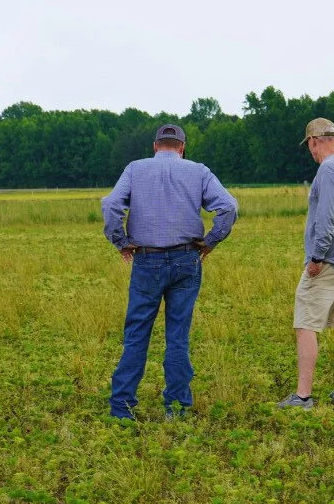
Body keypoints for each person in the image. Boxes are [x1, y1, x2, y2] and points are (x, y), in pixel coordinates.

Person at [101, 123, 238, 421]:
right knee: (178, 336)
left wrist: (121, 242)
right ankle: (176, 408)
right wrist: (211, 241)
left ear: (155, 146)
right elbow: (228, 206)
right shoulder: (198, 170)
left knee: (136, 334)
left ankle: (121, 408)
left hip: (146, 260)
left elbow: (111, 205)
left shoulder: (135, 169)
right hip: (187, 260)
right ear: (182, 147)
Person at [278, 118, 334, 409]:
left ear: (316, 141)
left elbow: (326, 218)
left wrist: (317, 257)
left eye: (310, 146)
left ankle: (303, 396)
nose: (310, 152)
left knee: (305, 324)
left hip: (328, 262)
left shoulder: (328, 170)